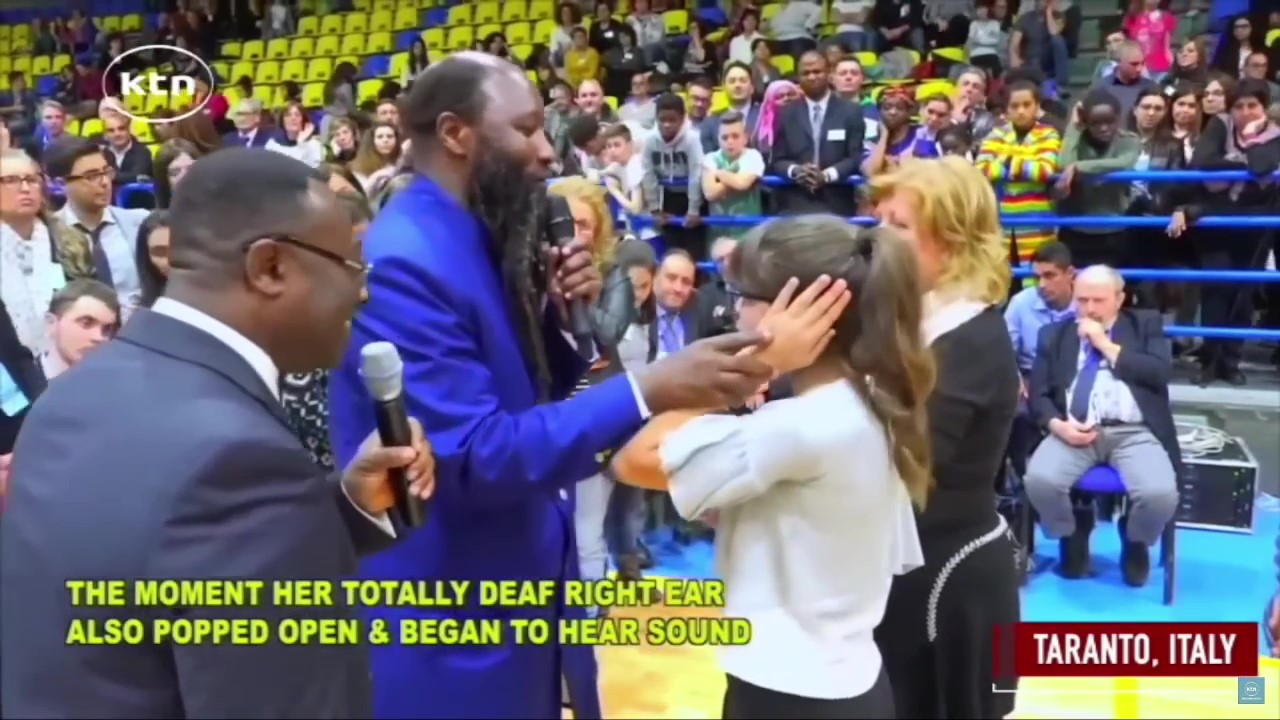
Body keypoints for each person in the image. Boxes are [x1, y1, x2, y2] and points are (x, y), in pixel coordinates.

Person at [324, 53, 778, 720]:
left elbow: (520, 389)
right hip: (456, 613)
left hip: (521, 585)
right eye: (526, 129)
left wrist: (557, 319)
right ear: (455, 133)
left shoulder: (476, 232)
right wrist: (649, 389)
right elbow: (473, 456)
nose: (547, 149)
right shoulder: (405, 262)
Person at [0, 148, 436, 717]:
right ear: (270, 266)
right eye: (352, 264)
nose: (362, 291)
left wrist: (340, 507)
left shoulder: (72, 394)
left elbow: (161, 567)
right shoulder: (240, 458)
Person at [611, 217, 930, 718]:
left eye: (744, 297)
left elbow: (633, 459)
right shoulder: (867, 394)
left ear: (798, 311)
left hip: (791, 691)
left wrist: (748, 371)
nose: (734, 311)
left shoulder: (802, 425)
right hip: (842, 678)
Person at [868, 156, 1022, 718]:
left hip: (949, 583)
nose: (879, 237)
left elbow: (905, 465)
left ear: (953, 242)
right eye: (880, 219)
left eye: (899, 225)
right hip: (903, 570)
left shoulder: (972, 340)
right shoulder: (911, 319)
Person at [1024, 265, 1180, 586]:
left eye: (1099, 300)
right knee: (1039, 481)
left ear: (1119, 299)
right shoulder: (1054, 334)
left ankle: (1135, 539)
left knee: (1160, 494)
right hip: (1072, 430)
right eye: (1082, 300)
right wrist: (1058, 426)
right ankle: (1071, 532)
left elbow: (1159, 373)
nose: (1090, 309)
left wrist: (1104, 345)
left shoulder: (1144, 325)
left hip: (1134, 432)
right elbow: (1038, 394)